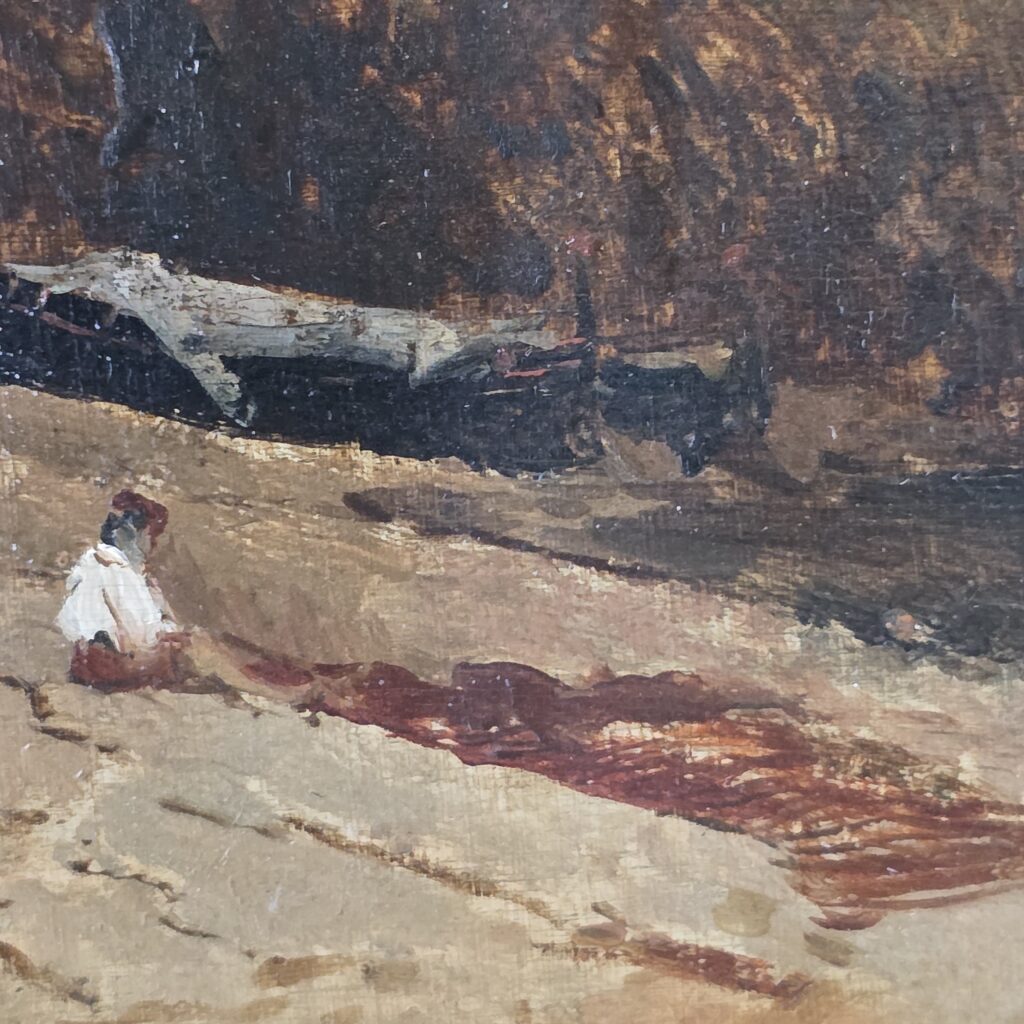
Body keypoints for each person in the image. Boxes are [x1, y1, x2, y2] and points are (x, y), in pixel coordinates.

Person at [56, 490, 189, 690]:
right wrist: (165, 638)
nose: (154, 545)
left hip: (101, 661)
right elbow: (139, 633)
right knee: (187, 650)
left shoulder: (105, 565)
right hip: (113, 666)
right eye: (151, 536)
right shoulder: (113, 569)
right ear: (133, 533)